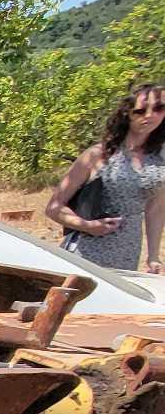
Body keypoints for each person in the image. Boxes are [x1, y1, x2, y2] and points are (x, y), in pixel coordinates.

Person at [44, 83, 165, 273]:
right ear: (127, 113)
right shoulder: (98, 154)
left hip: (128, 251)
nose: (149, 116)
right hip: (86, 251)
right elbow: (53, 208)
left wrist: (153, 257)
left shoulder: (159, 160)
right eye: (141, 111)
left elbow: (155, 209)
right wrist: (88, 226)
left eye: (159, 108)